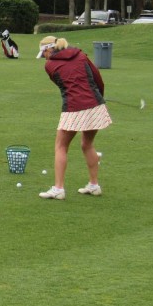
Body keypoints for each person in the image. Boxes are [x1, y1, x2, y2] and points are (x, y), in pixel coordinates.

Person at [37, 36, 112, 200]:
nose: (44, 57)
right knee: (87, 144)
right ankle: (94, 185)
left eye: (44, 53)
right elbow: (98, 78)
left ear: (49, 49)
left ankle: (58, 189)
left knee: (61, 146)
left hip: (73, 108)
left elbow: (63, 86)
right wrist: (98, 97)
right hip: (95, 105)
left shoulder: (50, 65)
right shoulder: (81, 55)